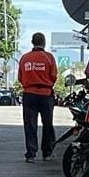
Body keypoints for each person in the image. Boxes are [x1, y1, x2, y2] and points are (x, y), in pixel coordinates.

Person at [17, 32, 57, 163]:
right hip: (46, 95)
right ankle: (47, 153)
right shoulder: (49, 58)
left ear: (32, 42)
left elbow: (20, 77)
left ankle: (31, 154)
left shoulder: (24, 58)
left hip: (29, 95)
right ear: (44, 43)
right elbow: (53, 76)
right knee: (47, 125)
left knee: (30, 124)